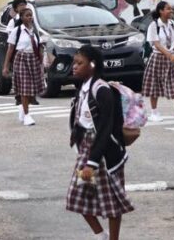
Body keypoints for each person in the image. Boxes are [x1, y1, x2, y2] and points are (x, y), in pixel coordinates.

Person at [66, 44, 133, 240]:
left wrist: (92, 162)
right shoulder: (83, 88)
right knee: (76, 196)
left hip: (106, 152)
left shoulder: (102, 90)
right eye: (74, 63)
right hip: (87, 148)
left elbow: (105, 129)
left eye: (80, 63)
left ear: (92, 65)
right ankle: (100, 235)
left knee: (112, 202)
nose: (75, 67)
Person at [142, 1, 174, 124]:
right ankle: (154, 112)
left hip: (172, 57)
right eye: (168, 9)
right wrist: (169, 55)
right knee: (154, 85)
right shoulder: (154, 25)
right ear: (161, 11)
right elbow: (156, 44)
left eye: (171, 9)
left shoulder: (171, 24)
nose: (171, 11)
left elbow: (173, 42)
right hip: (158, 58)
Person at [3, 5, 46, 126]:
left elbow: (40, 47)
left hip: (33, 60)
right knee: (25, 88)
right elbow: (10, 49)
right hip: (21, 59)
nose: (30, 18)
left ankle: (22, 108)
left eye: (31, 15)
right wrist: (5, 66)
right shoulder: (17, 31)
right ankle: (27, 115)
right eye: (27, 16)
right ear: (21, 18)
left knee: (32, 88)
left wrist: (42, 62)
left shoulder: (35, 31)